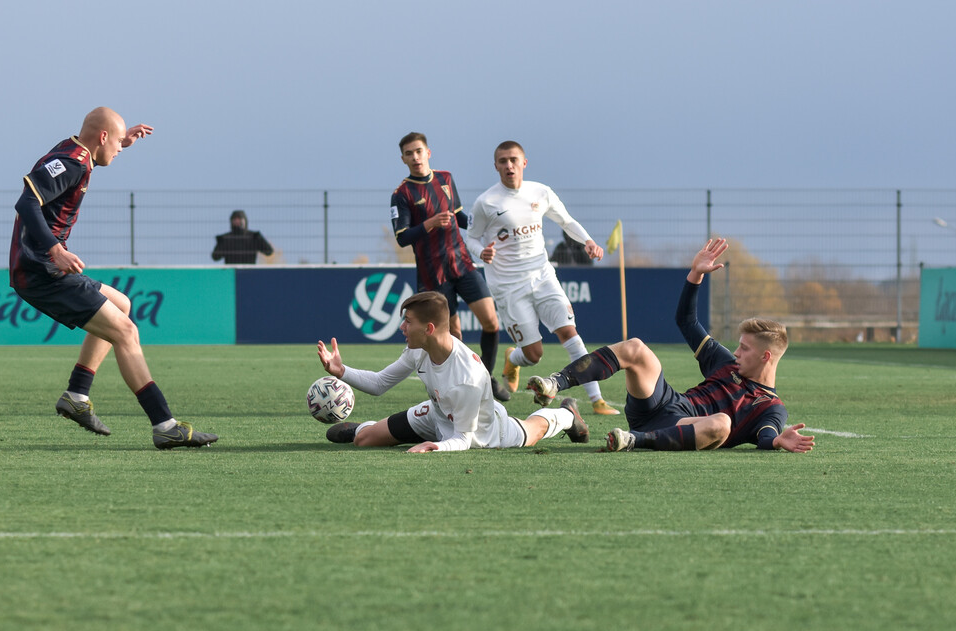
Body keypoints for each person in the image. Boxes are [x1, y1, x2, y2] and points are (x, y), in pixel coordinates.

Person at [9, 106, 217, 450]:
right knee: (126, 331)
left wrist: (123, 139)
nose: (120, 149)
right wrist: (55, 250)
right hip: (41, 270)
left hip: (41, 267)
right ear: (102, 137)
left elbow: (82, 159)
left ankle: (77, 394)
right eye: (117, 142)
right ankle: (165, 425)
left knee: (122, 304)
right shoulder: (74, 163)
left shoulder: (76, 152)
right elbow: (27, 203)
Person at [525, 237, 815, 453]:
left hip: (682, 430)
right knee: (636, 347)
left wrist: (777, 440)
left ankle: (633, 440)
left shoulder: (771, 408)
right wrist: (695, 275)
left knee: (722, 425)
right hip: (664, 406)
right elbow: (686, 322)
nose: (737, 352)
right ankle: (556, 383)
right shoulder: (726, 364)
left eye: (745, 349)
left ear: (766, 356)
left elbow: (765, 437)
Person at [317, 291, 589, 453]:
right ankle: (364, 429)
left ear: (430, 329)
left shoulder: (468, 376)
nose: (402, 327)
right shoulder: (417, 349)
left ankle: (566, 414)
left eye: (408, 322)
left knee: (533, 431)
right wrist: (341, 370)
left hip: (484, 433)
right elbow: (379, 383)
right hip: (435, 414)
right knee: (363, 441)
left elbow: (463, 439)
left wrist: (436, 447)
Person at [465, 140, 619, 415]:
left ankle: (597, 400)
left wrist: (588, 241)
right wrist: (481, 253)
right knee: (534, 355)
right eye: (503, 161)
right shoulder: (486, 202)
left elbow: (566, 221)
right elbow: (471, 238)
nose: (509, 165)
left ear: (524, 163)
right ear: (496, 166)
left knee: (569, 332)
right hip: (508, 286)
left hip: (543, 275)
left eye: (514, 159)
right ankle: (513, 358)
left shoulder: (541, 192)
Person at [391, 132, 510, 402]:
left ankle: (485, 378)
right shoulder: (402, 194)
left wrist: (488, 231)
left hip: (462, 263)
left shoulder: (445, 178)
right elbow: (402, 237)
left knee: (491, 322)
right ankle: (461, 388)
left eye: (419, 151)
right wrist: (430, 223)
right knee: (453, 334)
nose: (415, 157)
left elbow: (459, 217)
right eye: (409, 153)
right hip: (433, 274)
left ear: (428, 152)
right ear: (403, 159)